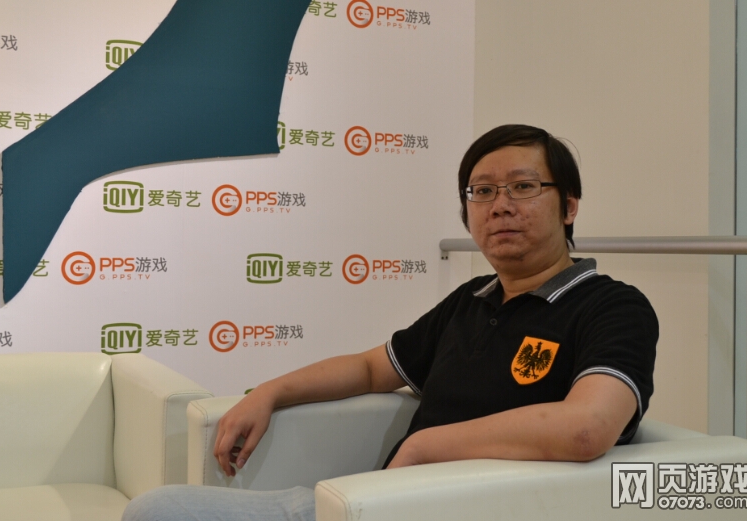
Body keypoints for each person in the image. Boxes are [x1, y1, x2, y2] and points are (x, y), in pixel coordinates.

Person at [123, 124, 658, 521]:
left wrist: (426, 446)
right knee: (158, 510)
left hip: (464, 509)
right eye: (482, 191)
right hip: (375, 502)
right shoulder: (471, 299)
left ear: (568, 207)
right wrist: (269, 392)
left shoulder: (613, 306)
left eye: (522, 187)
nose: (500, 206)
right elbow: (370, 369)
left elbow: (587, 427)